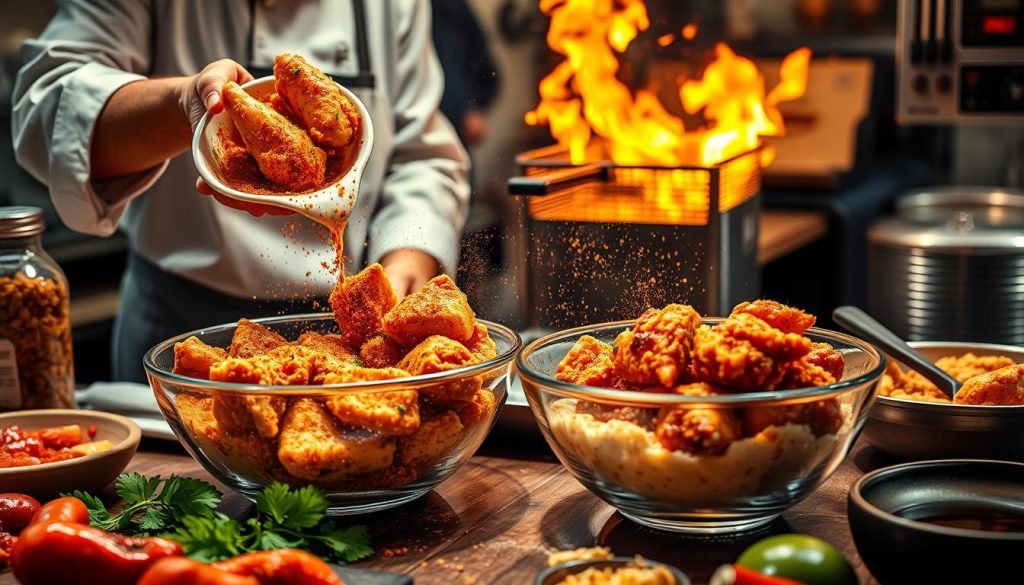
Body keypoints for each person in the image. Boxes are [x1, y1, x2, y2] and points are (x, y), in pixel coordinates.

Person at [12, 0, 470, 383]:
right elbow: (47, 109)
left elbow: (421, 153)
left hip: (352, 323)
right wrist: (185, 105)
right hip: (182, 322)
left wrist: (408, 262)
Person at [431, 0, 500, 148]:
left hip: (455, 128)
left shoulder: (450, 7)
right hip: (411, 133)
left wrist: (474, 107)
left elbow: (481, 61)